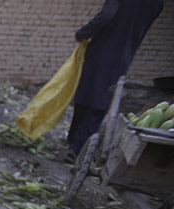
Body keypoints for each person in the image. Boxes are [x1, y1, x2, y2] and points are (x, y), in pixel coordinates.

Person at [67, 0, 163, 157]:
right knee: (101, 100)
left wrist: (84, 32)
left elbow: (106, 15)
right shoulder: (157, 4)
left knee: (86, 94)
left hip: (101, 50)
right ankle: (77, 145)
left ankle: (74, 143)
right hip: (122, 57)